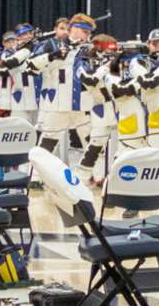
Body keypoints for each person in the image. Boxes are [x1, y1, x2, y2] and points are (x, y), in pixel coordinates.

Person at [34, 14, 93, 159]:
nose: (88, 35)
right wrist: (53, 55)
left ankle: (92, 178)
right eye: (85, 31)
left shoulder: (89, 49)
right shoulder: (53, 44)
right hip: (59, 103)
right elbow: (31, 66)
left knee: (92, 145)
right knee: (47, 144)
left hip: (82, 104)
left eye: (89, 33)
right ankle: (36, 179)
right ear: (74, 28)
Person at [76, 32, 120, 185]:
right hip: (92, 109)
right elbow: (90, 80)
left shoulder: (116, 63)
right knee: (94, 145)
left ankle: (107, 178)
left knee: (118, 147)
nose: (111, 54)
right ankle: (82, 178)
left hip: (115, 107)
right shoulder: (83, 63)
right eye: (108, 50)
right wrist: (105, 66)